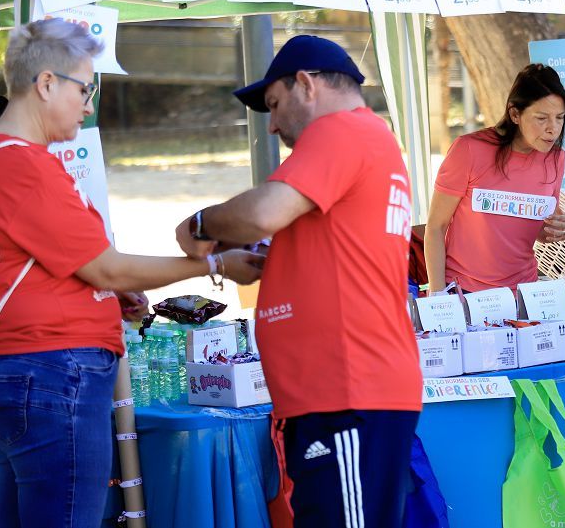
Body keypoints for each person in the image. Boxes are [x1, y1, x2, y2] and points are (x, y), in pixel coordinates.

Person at [0, 18, 263, 528]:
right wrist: (214, 264)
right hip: (53, 372)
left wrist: (108, 296)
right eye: (85, 89)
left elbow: (41, 264)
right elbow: (106, 268)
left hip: (28, 371)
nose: (89, 105)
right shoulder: (21, 164)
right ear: (46, 84)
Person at [174, 34, 423, 526]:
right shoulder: (365, 141)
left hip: (347, 394)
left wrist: (200, 224)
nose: (272, 127)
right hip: (343, 395)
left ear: (306, 85)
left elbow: (264, 211)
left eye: (274, 105)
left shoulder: (341, 133)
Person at [424, 63, 565, 293]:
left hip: (524, 295)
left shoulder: (556, 159)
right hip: (465, 293)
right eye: (542, 118)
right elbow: (435, 227)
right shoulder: (469, 150)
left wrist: (559, 229)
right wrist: (438, 296)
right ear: (515, 113)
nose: (552, 129)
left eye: (560, 117)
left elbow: (536, 228)